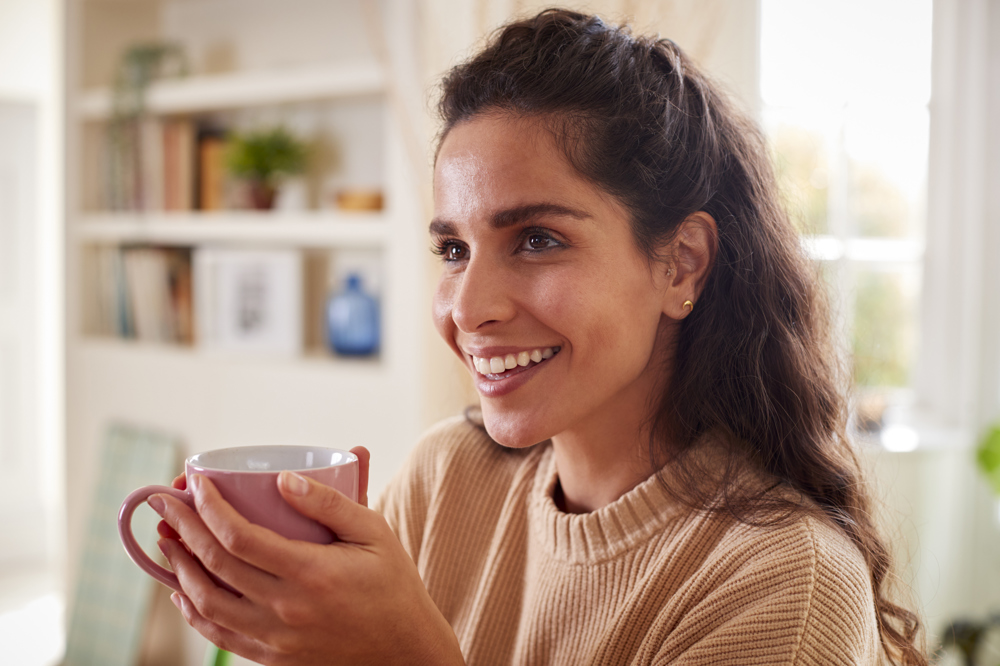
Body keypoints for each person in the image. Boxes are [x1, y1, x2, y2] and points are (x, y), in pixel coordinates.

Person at [151, 9, 926, 665]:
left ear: (681, 265)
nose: (469, 307)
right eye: (453, 250)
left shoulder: (784, 584)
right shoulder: (443, 479)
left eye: (537, 240)